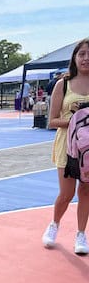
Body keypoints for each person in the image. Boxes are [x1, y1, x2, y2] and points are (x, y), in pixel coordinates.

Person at [42, 38, 89, 254]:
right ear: (75, 57)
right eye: (82, 54)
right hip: (68, 145)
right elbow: (51, 121)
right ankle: (54, 224)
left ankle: (81, 234)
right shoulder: (64, 84)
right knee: (66, 193)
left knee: (86, 190)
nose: (86, 58)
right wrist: (78, 119)